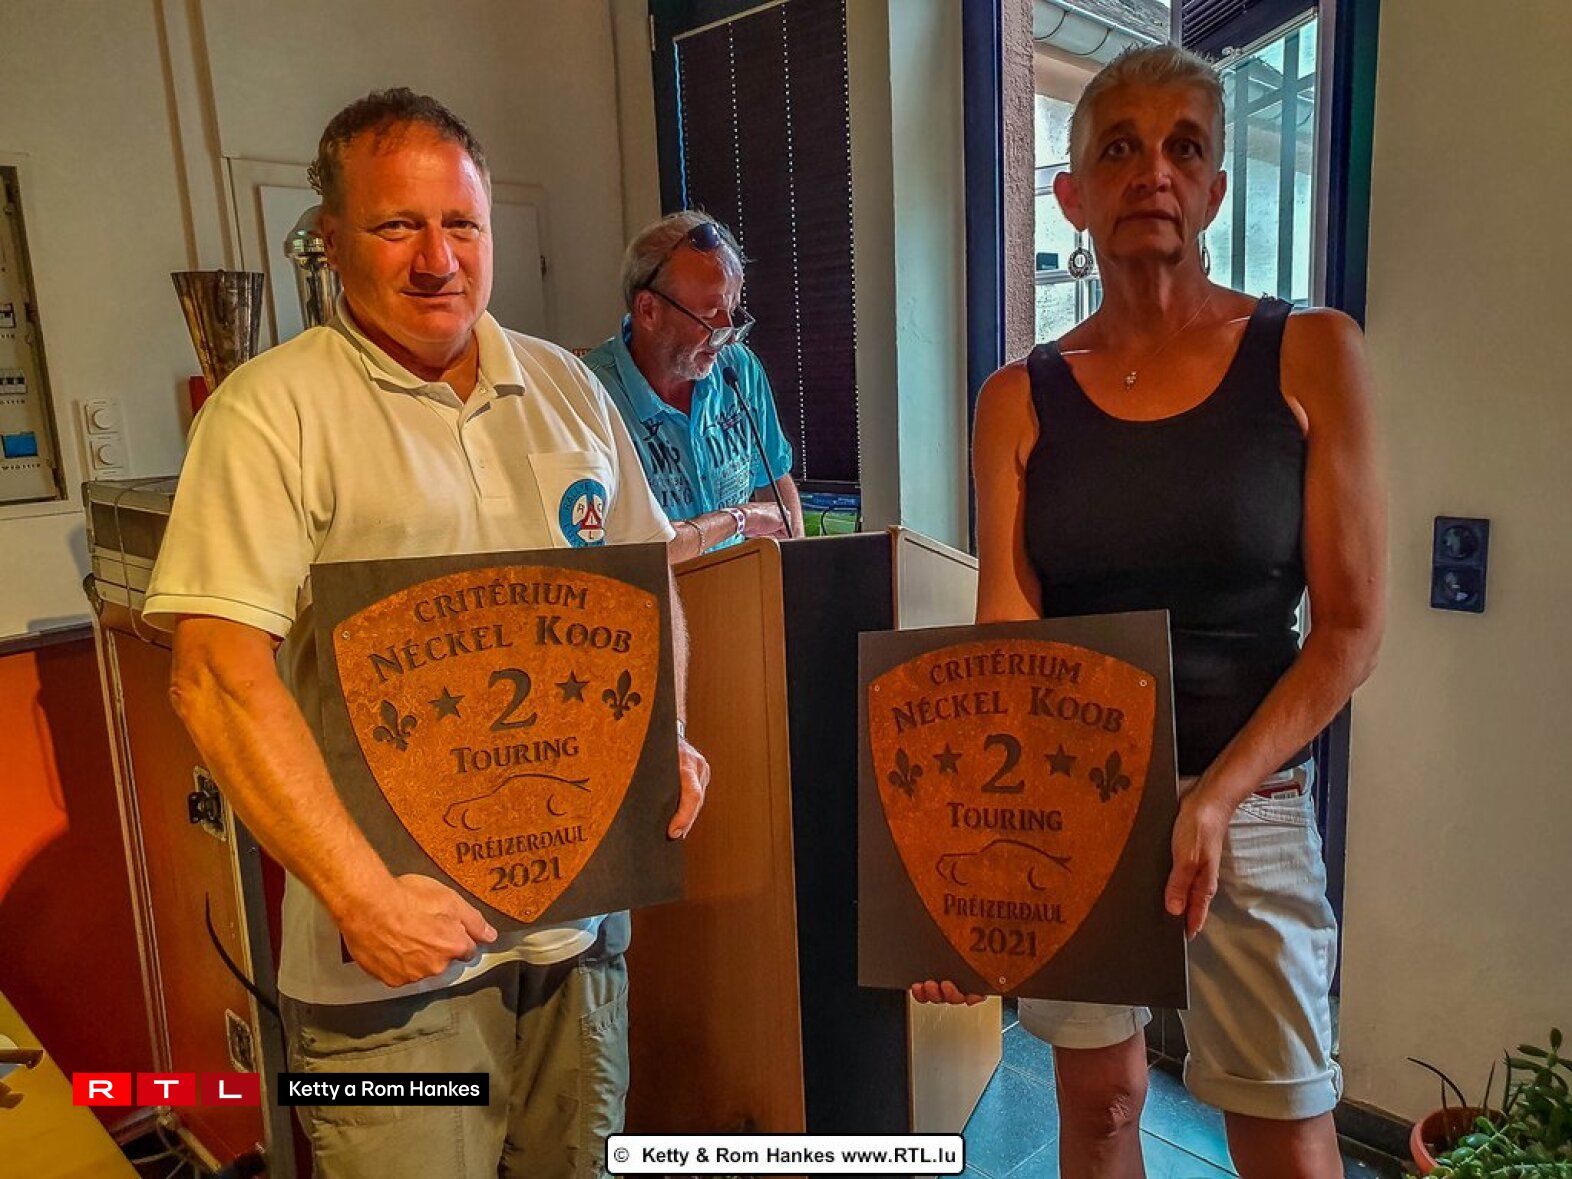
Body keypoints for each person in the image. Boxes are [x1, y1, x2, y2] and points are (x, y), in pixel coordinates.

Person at [143, 88, 710, 1179]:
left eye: (461, 225)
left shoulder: (567, 388)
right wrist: (362, 897)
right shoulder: (267, 413)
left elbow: (643, 591)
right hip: (388, 983)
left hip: (578, 941)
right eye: (397, 226)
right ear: (330, 239)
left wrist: (662, 740)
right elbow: (214, 677)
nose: (437, 259)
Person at [914, 46, 1386, 1179]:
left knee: (1287, 1130)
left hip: (1253, 802)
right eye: (1119, 148)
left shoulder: (1312, 352)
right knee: (1100, 1106)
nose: (1153, 172)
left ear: (1215, 189)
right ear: (1071, 193)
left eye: (1184, 147)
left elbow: (1349, 628)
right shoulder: (1016, 397)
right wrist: (967, 878)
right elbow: (1007, 643)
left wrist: (1216, 796)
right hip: (1076, 808)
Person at [583, 211, 803, 563]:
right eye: (710, 315)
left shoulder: (739, 367)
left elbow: (774, 479)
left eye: (733, 311)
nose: (728, 335)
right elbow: (626, 548)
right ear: (648, 310)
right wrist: (738, 519)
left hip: (743, 584)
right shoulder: (588, 395)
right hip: (656, 593)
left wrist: (795, 568)